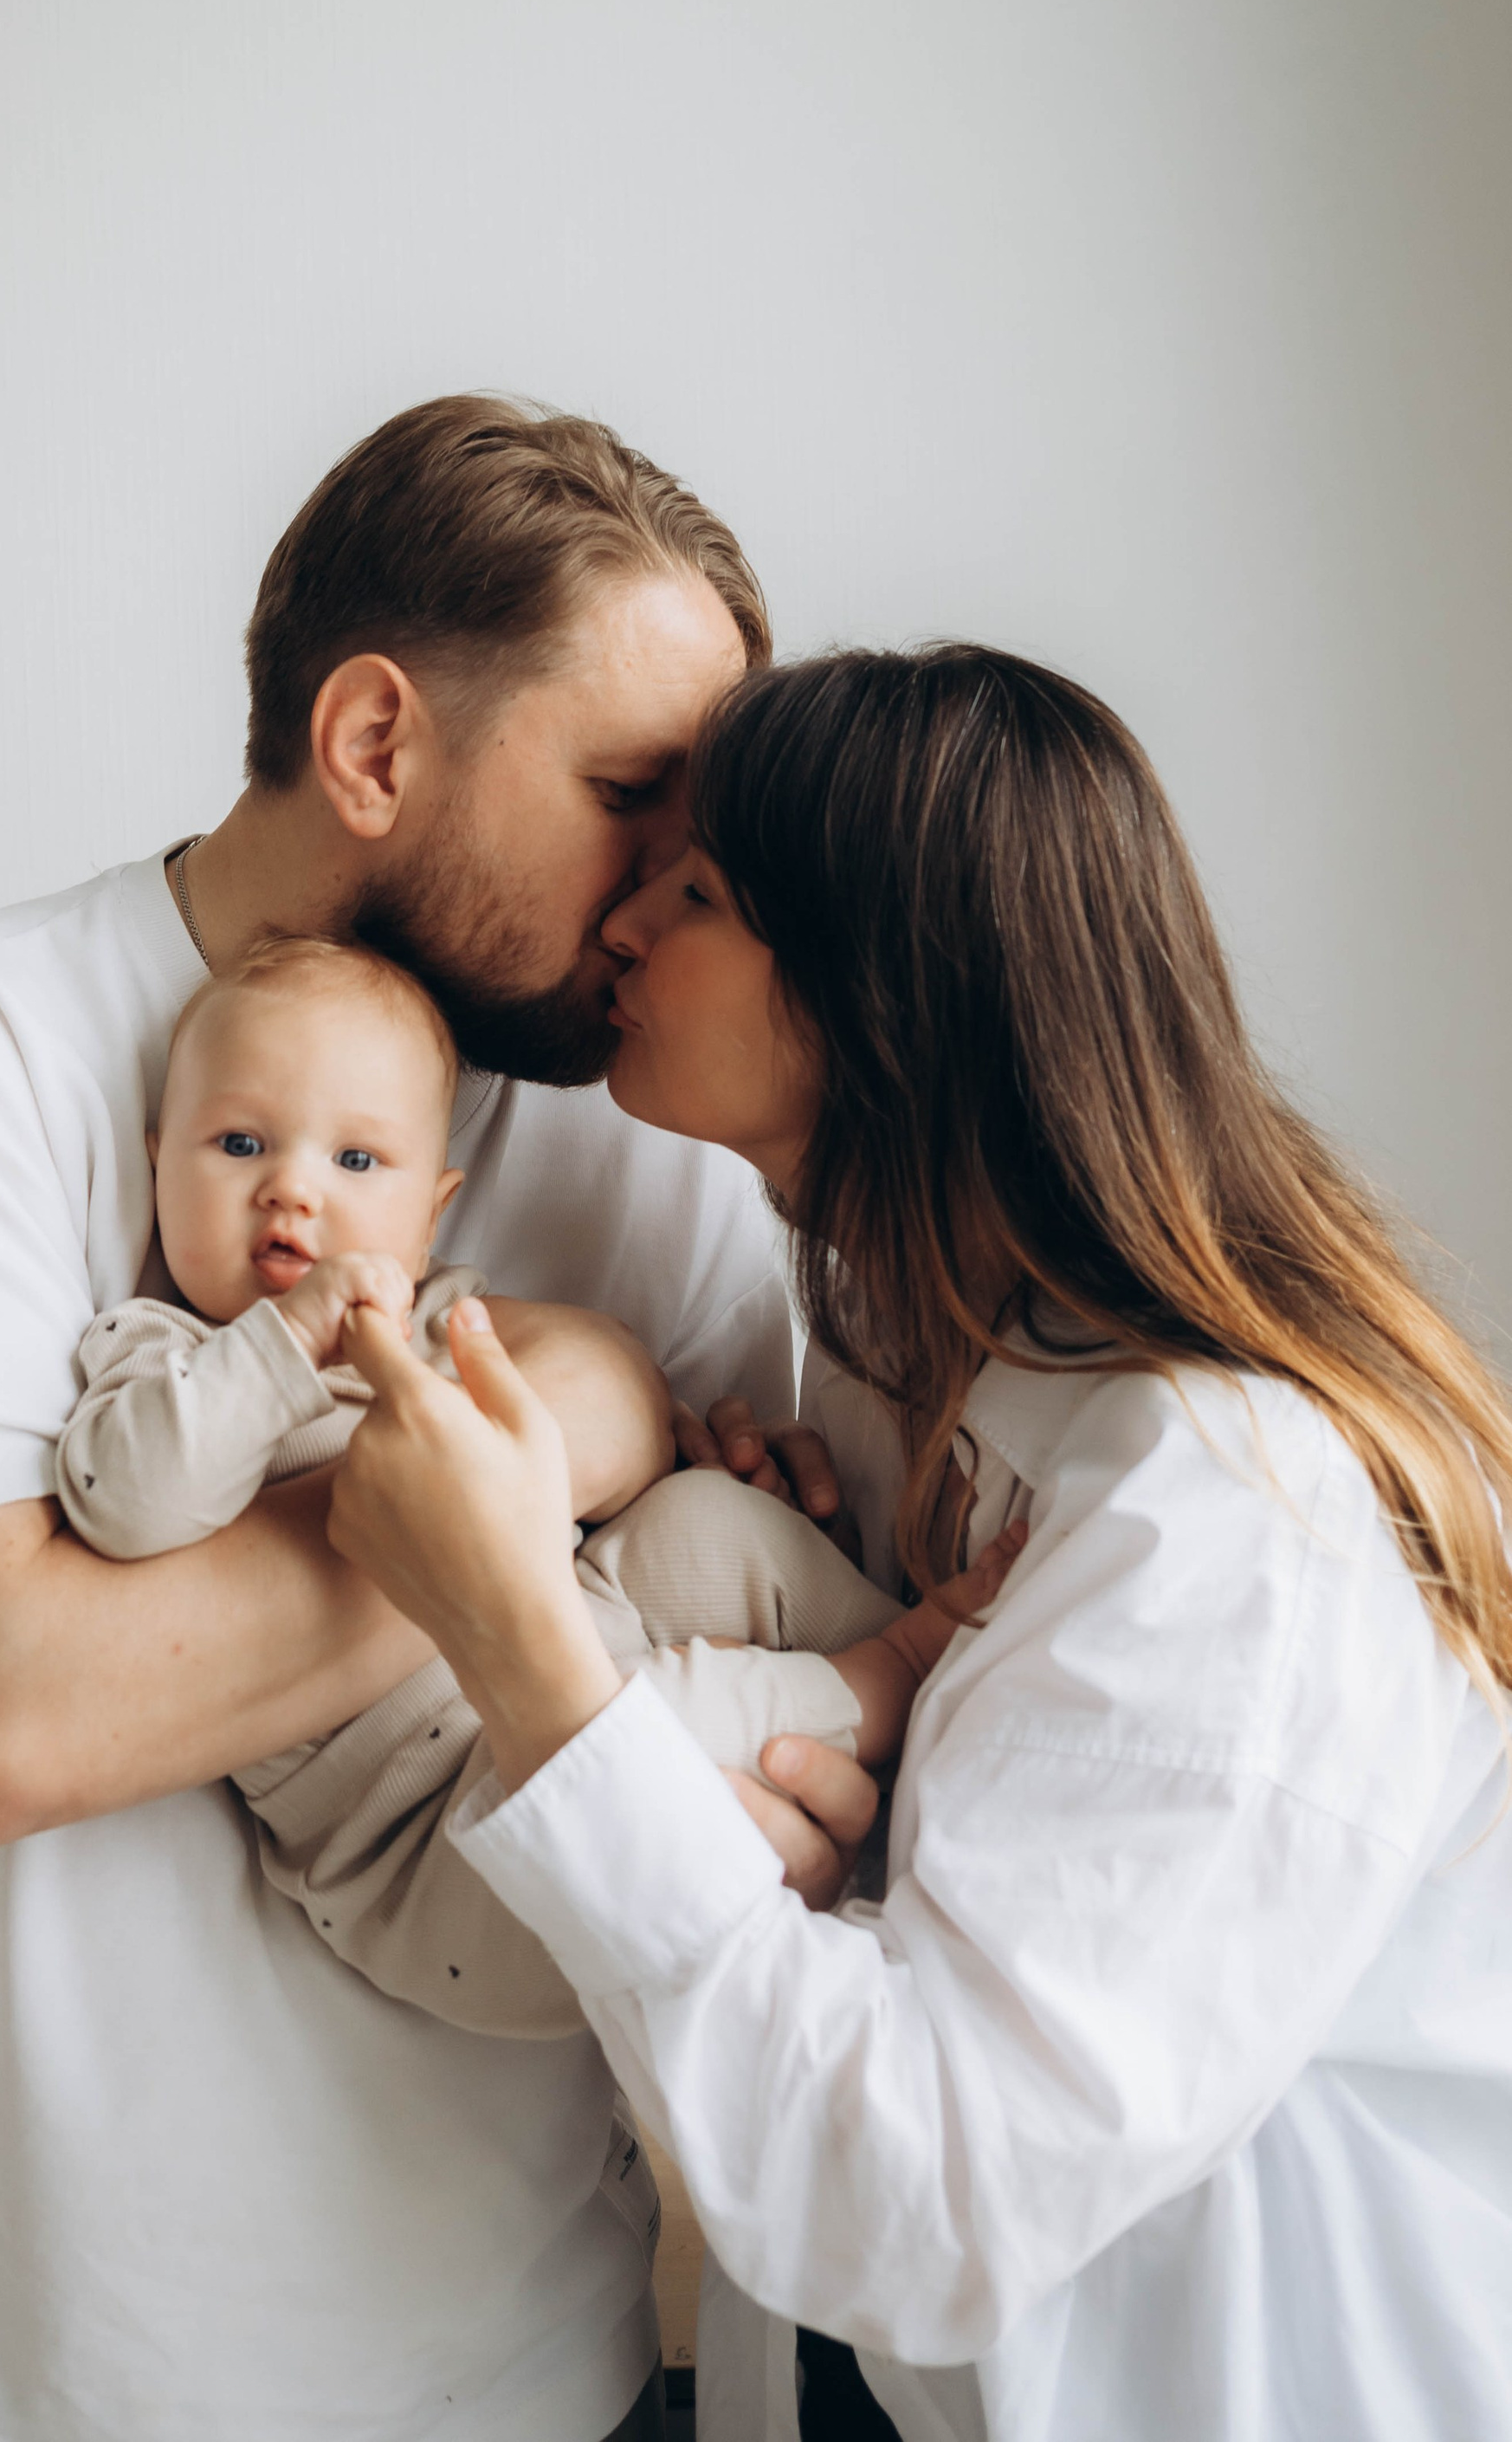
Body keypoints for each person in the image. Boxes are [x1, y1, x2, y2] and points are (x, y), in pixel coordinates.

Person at [0, 395, 859, 2442]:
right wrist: (564, 1430)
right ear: (377, 741)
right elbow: (1, 1709)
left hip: (529, 2374)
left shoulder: (647, 1147)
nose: (668, 888)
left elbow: (734, 1700)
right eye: (624, 793)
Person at [327, 644, 1512, 2442]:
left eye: (699, 889)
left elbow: (919, 2200)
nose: (623, 923)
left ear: (884, 997)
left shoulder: (1234, 1510)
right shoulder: (910, 1364)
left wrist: (518, 1637)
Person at [61, 928, 1021, 2037]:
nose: (291, 1192)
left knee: (707, 1526)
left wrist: (703, 1458)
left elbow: (596, 1464)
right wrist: (281, 1345)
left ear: (431, 1210)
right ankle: (889, 1678)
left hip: (575, 1645)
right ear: (157, 1160)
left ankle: (899, 1675)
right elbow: (126, 1502)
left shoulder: (450, 1325)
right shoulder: (156, 1355)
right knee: (652, 1732)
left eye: (356, 1163)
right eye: (237, 1144)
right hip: (441, 1849)